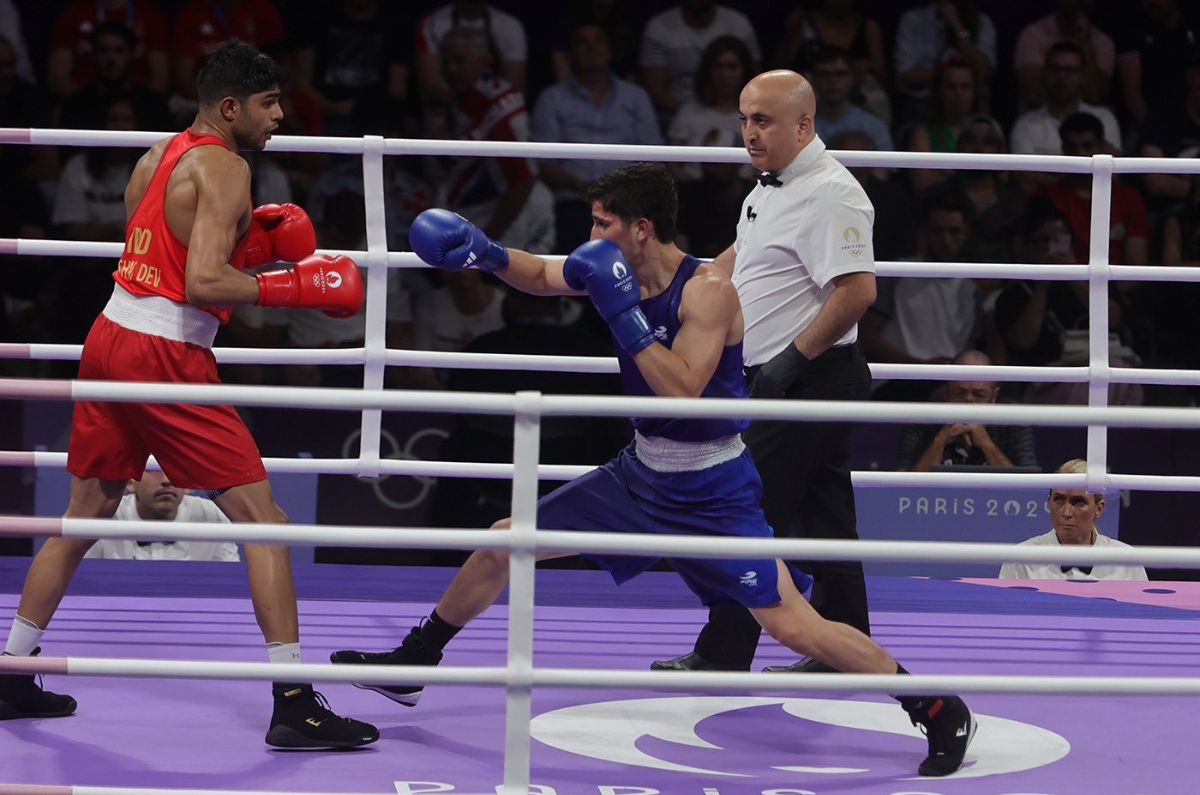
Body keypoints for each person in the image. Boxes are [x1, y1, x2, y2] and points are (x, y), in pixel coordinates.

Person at [330, 162, 976, 777]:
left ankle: (934, 705)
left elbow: (683, 387)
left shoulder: (708, 290)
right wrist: (486, 253)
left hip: (714, 490)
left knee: (790, 624)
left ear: (642, 227)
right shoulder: (611, 269)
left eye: (603, 224)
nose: (591, 239)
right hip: (639, 475)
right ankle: (416, 661)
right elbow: (539, 272)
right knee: (505, 540)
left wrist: (621, 313)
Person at [0, 40, 376, 748]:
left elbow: (158, 253)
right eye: (269, 104)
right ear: (230, 107)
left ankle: (10, 668)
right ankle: (295, 702)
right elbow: (202, 285)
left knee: (84, 510)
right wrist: (299, 282)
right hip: (164, 352)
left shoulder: (157, 156)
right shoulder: (228, 168)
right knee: (264, 519)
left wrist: (250, 248)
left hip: (110, 334)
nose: (281, 116)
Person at [655, 69, 876, 676]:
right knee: (824, 519)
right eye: (745, 119)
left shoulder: (830, 192)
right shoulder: (769, 188)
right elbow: (740, 256)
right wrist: (683, 283)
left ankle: (724, 651)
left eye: (764, 121)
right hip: (794, 378)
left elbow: (856, 291)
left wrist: (790, 360)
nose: (749, 133)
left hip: (810, 379)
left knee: (742, 513)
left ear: (804, 124)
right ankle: (848, 644)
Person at [999, 459, 1147, 581]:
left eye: (1078, 502)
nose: (1067, 512)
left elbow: (1142, 615)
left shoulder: (1127, 562)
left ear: (1099, 509)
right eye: (1059, 500)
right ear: (1048, 502)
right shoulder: (1019, 559)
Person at [896, 350, 1038, 472]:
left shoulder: (1014, 423)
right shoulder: (922, 421)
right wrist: (940, 440)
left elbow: (1029, 490)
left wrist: (986, 444)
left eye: (979, 395)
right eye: (960, 393)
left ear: (994, 397)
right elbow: (902, 489)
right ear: (946, 393)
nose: (969, 400)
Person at [85, 470, 239, 561]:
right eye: (154, 470)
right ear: (130, 482)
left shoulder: (213, 516)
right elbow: (81, 581)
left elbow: (230, 585)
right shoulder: (105, 516)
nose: (166, 480)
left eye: (174, 469)